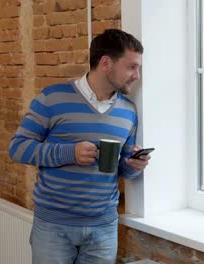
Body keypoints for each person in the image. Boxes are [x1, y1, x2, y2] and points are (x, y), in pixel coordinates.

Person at [9, 29, 150, 264]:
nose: (137, 75)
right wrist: (69, 152)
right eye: (131, 67)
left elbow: (121, 170)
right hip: (53, 226)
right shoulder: (52, 98)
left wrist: (134, 165)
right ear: (106, 63)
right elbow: (18, 148)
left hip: (104, 228)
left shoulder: (128, 110)